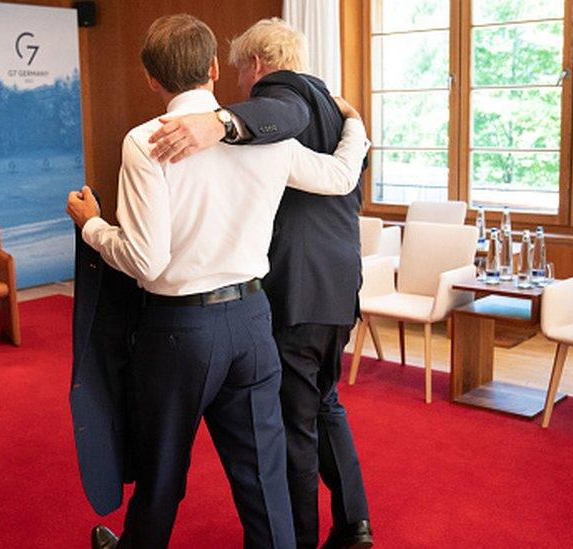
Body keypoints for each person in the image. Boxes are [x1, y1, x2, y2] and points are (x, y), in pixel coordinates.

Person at [66, 14, 369, 549]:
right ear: (212, 68)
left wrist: (92, 226)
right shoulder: (269, 138)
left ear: (151, 80)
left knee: (162, 472)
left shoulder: (145, 142)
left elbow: (145, 260)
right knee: (264, 479)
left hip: (179, 333)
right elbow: (341, 177)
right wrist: (356, 125)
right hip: (255, 325)